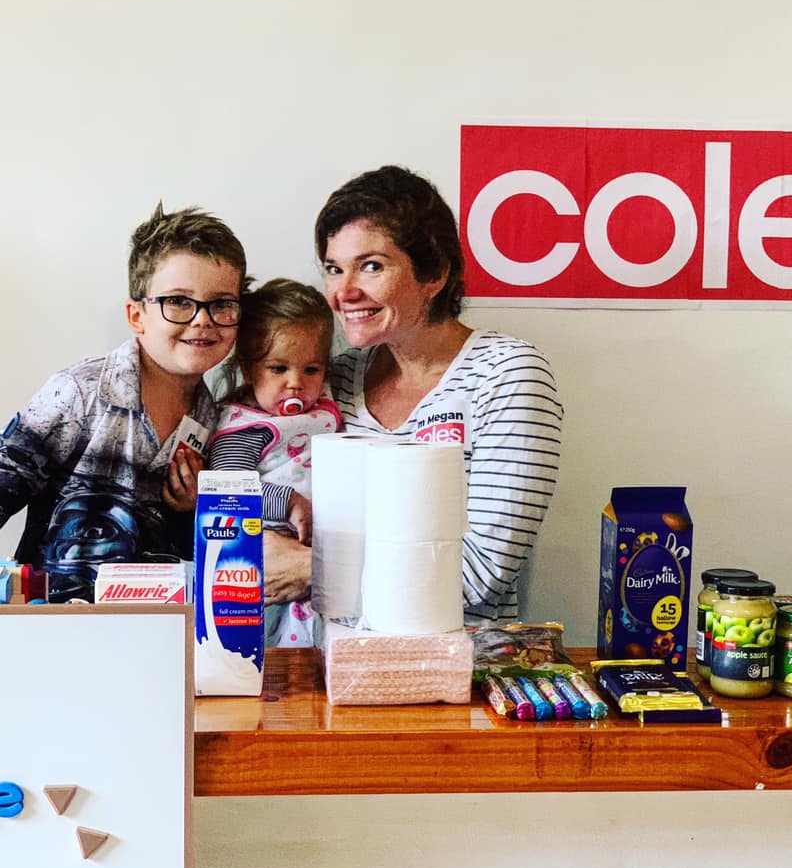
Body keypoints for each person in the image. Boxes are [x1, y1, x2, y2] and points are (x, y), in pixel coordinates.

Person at [265, 165, 563, 623]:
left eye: (371, 266)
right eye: (333, 268)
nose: (344, 292)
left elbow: (480, 575)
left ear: (435, 273)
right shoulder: (331, 380)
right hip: (330, 673)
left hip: (459, 679)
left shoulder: (506, 375)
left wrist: (313, 570)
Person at [0, 203, 247, 601]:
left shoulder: (218, 418)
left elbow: (202, 555)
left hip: (161, 631)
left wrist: (193, 510)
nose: (202, 319)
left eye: (221, 304)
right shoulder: (77, 394)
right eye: (179, 302)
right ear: (137, 316)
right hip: (57, 627)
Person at [208, 278, 341, 645]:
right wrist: (288, 501)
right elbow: (227, 487)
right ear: (250, 370)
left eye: (311, 370)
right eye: (278, 369)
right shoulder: (245, 428)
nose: (296, 383)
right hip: (267, 557)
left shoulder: (327, 407)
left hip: (325, 558)